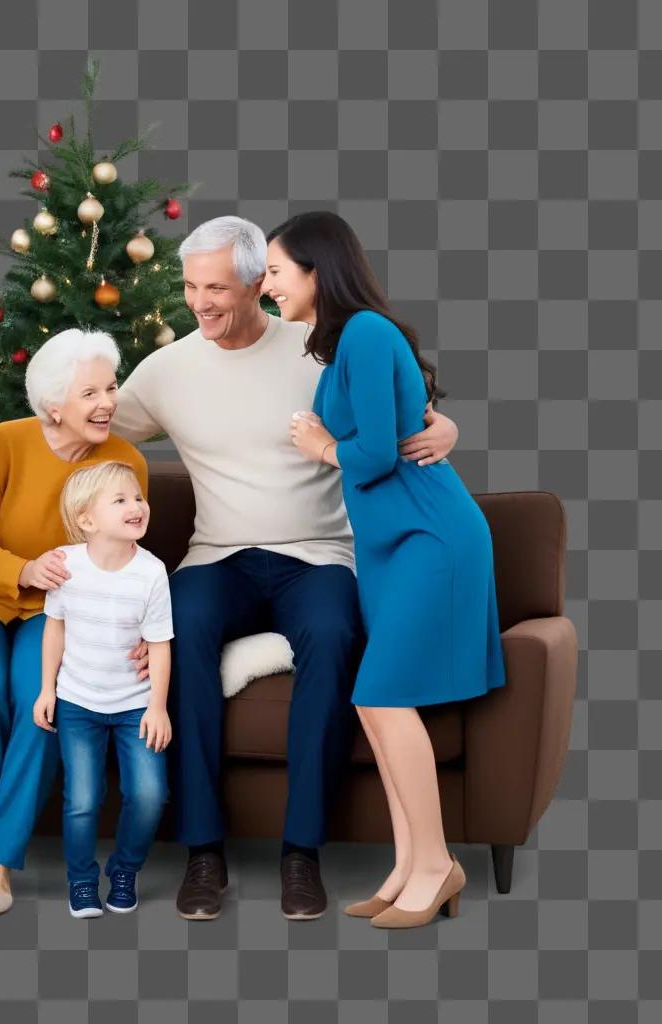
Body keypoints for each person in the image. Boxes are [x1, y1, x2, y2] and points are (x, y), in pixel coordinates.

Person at [110, 216, 462, 920]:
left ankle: (302, 854)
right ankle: (203, 853)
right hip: (219, 555)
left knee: (335, 638)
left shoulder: (321, 346)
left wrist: (444, 426)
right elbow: (85, 423)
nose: (200, 302)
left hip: (319, 554)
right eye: (189, 287)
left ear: (258, 283)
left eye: (216, 286)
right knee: (182, 632)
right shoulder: (168, 369)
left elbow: (402, 410)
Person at [267, 210, 506, 928]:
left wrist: (317, 446)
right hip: (393, 544)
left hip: (428, 537)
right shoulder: (348, 346)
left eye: (277, 270)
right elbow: (408, 421)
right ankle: (408, 865)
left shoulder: (367, 334)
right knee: (375, 700)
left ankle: (437, 864)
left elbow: (372, 454)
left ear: (317, 270)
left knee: (381, 693)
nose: (268, 283)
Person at [0, 330, 149, 916]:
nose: (108, 402)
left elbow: (128, 559)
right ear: (55, 405)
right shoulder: (6, 443)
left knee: (42, 702)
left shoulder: (125, 462)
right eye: (90, 392)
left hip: (57, 616)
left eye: (111, 387)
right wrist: (22, 569)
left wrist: (143, 633)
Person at [33, 461, 173, 918]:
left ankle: (126, 870)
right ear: (87, 520)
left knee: (150, 795)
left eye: (138, 497)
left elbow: (160, 645)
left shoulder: (152, 573)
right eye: (121, 500)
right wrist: (46, 690)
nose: (136, 506)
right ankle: (81, 881)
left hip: (135, 706)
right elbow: (54, 629)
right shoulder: (67, 565)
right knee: (82, 800)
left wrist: (158, 707)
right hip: (78, 703)